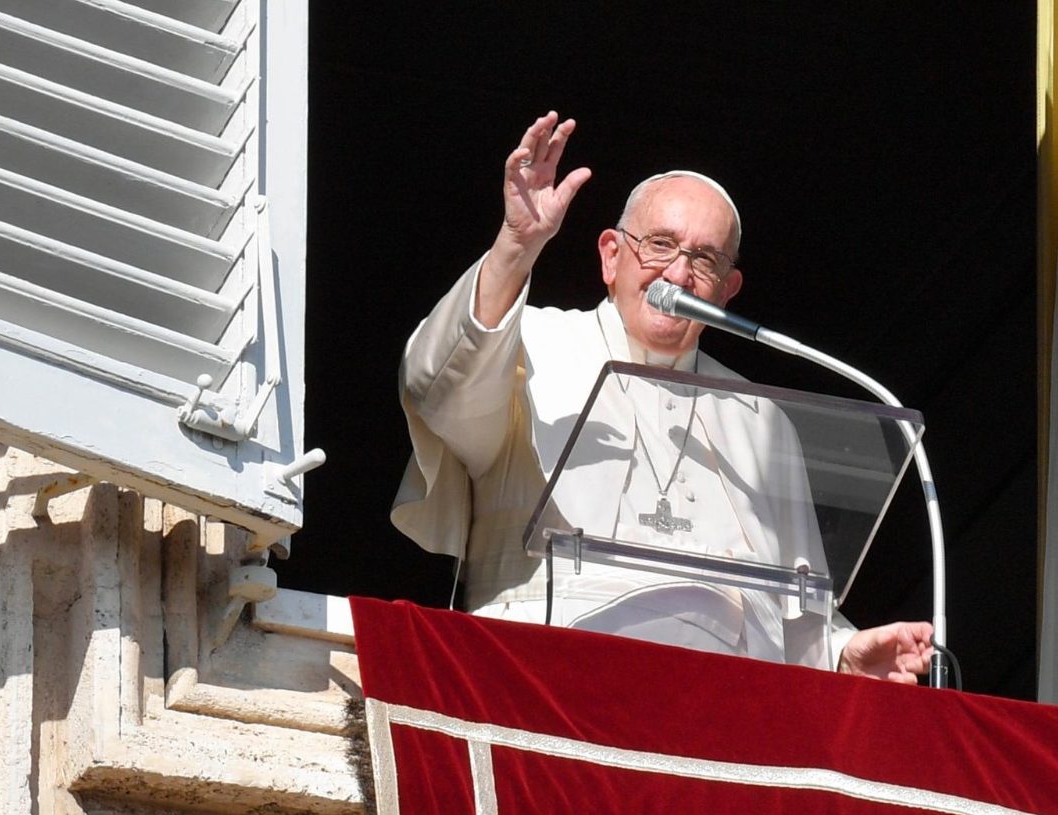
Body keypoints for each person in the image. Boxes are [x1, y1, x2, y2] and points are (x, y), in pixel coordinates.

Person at [394, 111, 933, 682]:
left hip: (723, 710)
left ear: (727, 291)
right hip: (544, 678)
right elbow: (436, 389)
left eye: (705, 260)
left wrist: (842, 654)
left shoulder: (760, 418)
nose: (677, 275)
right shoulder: (530, 343)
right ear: (610, 256)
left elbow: (790, 609)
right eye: (660, 244)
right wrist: (515, 246)